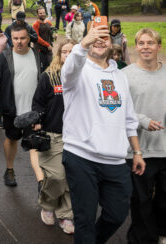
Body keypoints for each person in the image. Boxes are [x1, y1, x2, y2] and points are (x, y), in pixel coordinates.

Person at [60, 24, 145, 244]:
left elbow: (129, 118)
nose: (100, 41)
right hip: (81, 157)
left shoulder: (120, 76)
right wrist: (83, 44)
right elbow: (69, 70)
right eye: (95, 36)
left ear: (112, 43)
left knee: (117, 214)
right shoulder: (77, 69)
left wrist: (136, 151)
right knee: (85, 219)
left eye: (104, 37)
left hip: (115, 160)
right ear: (87, 39)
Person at [123, 28, 166, 244]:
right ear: (136, 46)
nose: (146, 47)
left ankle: (164, 232)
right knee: (140, 200)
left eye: (150, 43)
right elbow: (120, 109)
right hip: (139, 149)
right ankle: (142, 239)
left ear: (159, 47)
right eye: (141, 43)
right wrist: (142, 120)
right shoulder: (126, 75)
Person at [0, 24, 41, 187]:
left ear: (29, 38)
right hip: (12, 110)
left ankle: (41, 181)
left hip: (33, 111)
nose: (19, 42)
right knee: (12, 139)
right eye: (15, 38)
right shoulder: (4, 57)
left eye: (22, 38)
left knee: (34, 143)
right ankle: (9, 170)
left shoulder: (37, 55)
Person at [31, 39, 75, 235]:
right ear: (59, 54)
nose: (68, 55)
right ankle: (48, 203)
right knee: (57, 175)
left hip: (77, 137)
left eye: (72, 52)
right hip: (53, 134)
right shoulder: (49, 76)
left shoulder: (83, 76)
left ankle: (66, 215)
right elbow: (38, 103)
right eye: (65, 52)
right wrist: (38, 120)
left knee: (71, 178)